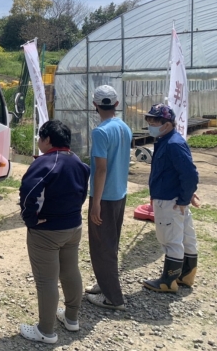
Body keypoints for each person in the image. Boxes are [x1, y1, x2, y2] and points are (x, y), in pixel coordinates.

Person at [18, 120, 89, 345]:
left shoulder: (46, 162)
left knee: (46, 280)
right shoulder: (78, 161)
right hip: (73, 226)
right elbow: (82, 193)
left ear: (47, 140)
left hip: (47, 230)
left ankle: (46, 331)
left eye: (40, 137)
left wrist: (30, 219)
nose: (39, 141)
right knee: (70, 271)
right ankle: (71, 318)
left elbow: (28, 191)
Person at [142, 104, 200, 292]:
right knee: (185, 236)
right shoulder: (168, 141)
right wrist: (186, 195)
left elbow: (190, 174)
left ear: (167, 124)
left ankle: (168, 281)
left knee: (170, 239)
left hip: (169, 200)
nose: (151, 126)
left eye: (154, 123)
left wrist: (184, 198)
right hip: (175, 197)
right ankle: (186, 274)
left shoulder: (172, 144)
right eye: (149, 122)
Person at [85, 85, 132, 311]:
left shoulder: (100, 132)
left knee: (102, 245)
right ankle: (104, 284)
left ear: (95, 104)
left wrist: (95, 203)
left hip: (104, 196)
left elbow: (101, 169)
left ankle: (113, 298)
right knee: (110, 243)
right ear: (116, 104)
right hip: (119, 193)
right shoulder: (124, 127)